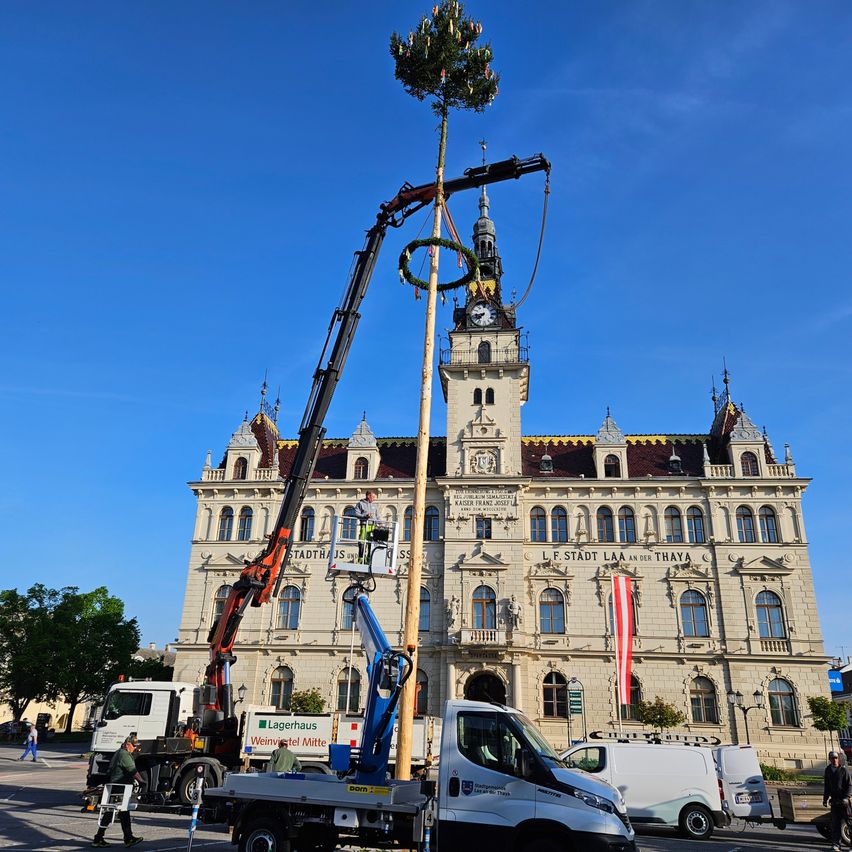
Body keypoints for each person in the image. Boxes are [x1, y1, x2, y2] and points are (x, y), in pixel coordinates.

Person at [92, 736, 144, 848]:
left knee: (118, 812)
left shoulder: (119, 752)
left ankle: (103, 838)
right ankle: (125, 838)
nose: (134, 748)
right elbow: (132, 770)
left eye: (136, 746)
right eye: (133, 746)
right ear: (127, 744)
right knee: (117, 811)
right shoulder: (124, 754)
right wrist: (142, 781)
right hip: (120, 787)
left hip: (117, 787)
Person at [823, 749, 852, 851]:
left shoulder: (843, 770)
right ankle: (836, 845)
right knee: (835, 824)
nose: (834, 760)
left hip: (844, 803)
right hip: (835, 802)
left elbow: (849, 785)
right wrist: (825, 799)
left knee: (849, 824)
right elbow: (827, 786)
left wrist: (846, 797)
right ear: (830, 759)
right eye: (832, 758)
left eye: (836, 758)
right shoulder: (828, 770)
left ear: (838, 759)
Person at [354, 490, 380, 563]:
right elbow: (356, 513)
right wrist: (365, 516)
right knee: (362, 541)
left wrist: (380, 523)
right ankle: (361, 558)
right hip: (365, 525)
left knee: (370, 542)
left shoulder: (374, 506)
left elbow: (378, 517)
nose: (374, 499)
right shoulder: (360, 504)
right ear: (368, 496)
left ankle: (369, 559)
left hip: (373, 526)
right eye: (373, 497)